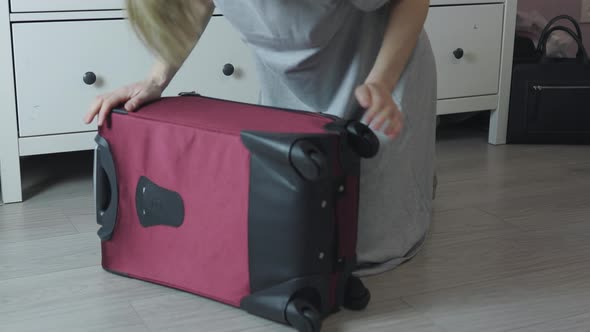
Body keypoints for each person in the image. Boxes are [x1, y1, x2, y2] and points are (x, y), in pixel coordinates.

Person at [84, 0, 437, 277]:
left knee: (365, 246)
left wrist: (382, 82)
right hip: (293, 87)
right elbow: (197, 3)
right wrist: (155, 80)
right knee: (294, 239)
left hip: (379, 77)